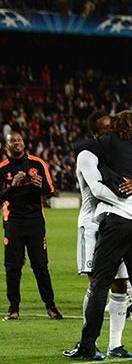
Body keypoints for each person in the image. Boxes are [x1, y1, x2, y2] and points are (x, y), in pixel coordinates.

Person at [76, 111, 132, 358]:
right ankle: (87, 343)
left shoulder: (119, 155)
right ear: (95, 135)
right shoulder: (87, 155)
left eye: (114, 129)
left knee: (120, 284)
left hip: (117, 225)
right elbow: (97, 190)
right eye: (106, 131)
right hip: (92, 224)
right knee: (96, 284)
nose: (112, 134)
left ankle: (115, 344)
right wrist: (131, 201)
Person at [0, 131, 61, 320]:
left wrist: (39, 185)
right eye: (13, 141)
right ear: (6, 147)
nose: (17, 143)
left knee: (40, 266)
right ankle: (13, 309)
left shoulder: (38, 163)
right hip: (13, 222)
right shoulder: (2, 169)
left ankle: (51, 307)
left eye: (19, 140)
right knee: (13, 267)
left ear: (24, 143)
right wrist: (13, 186)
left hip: (35, 222)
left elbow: (50, 191)